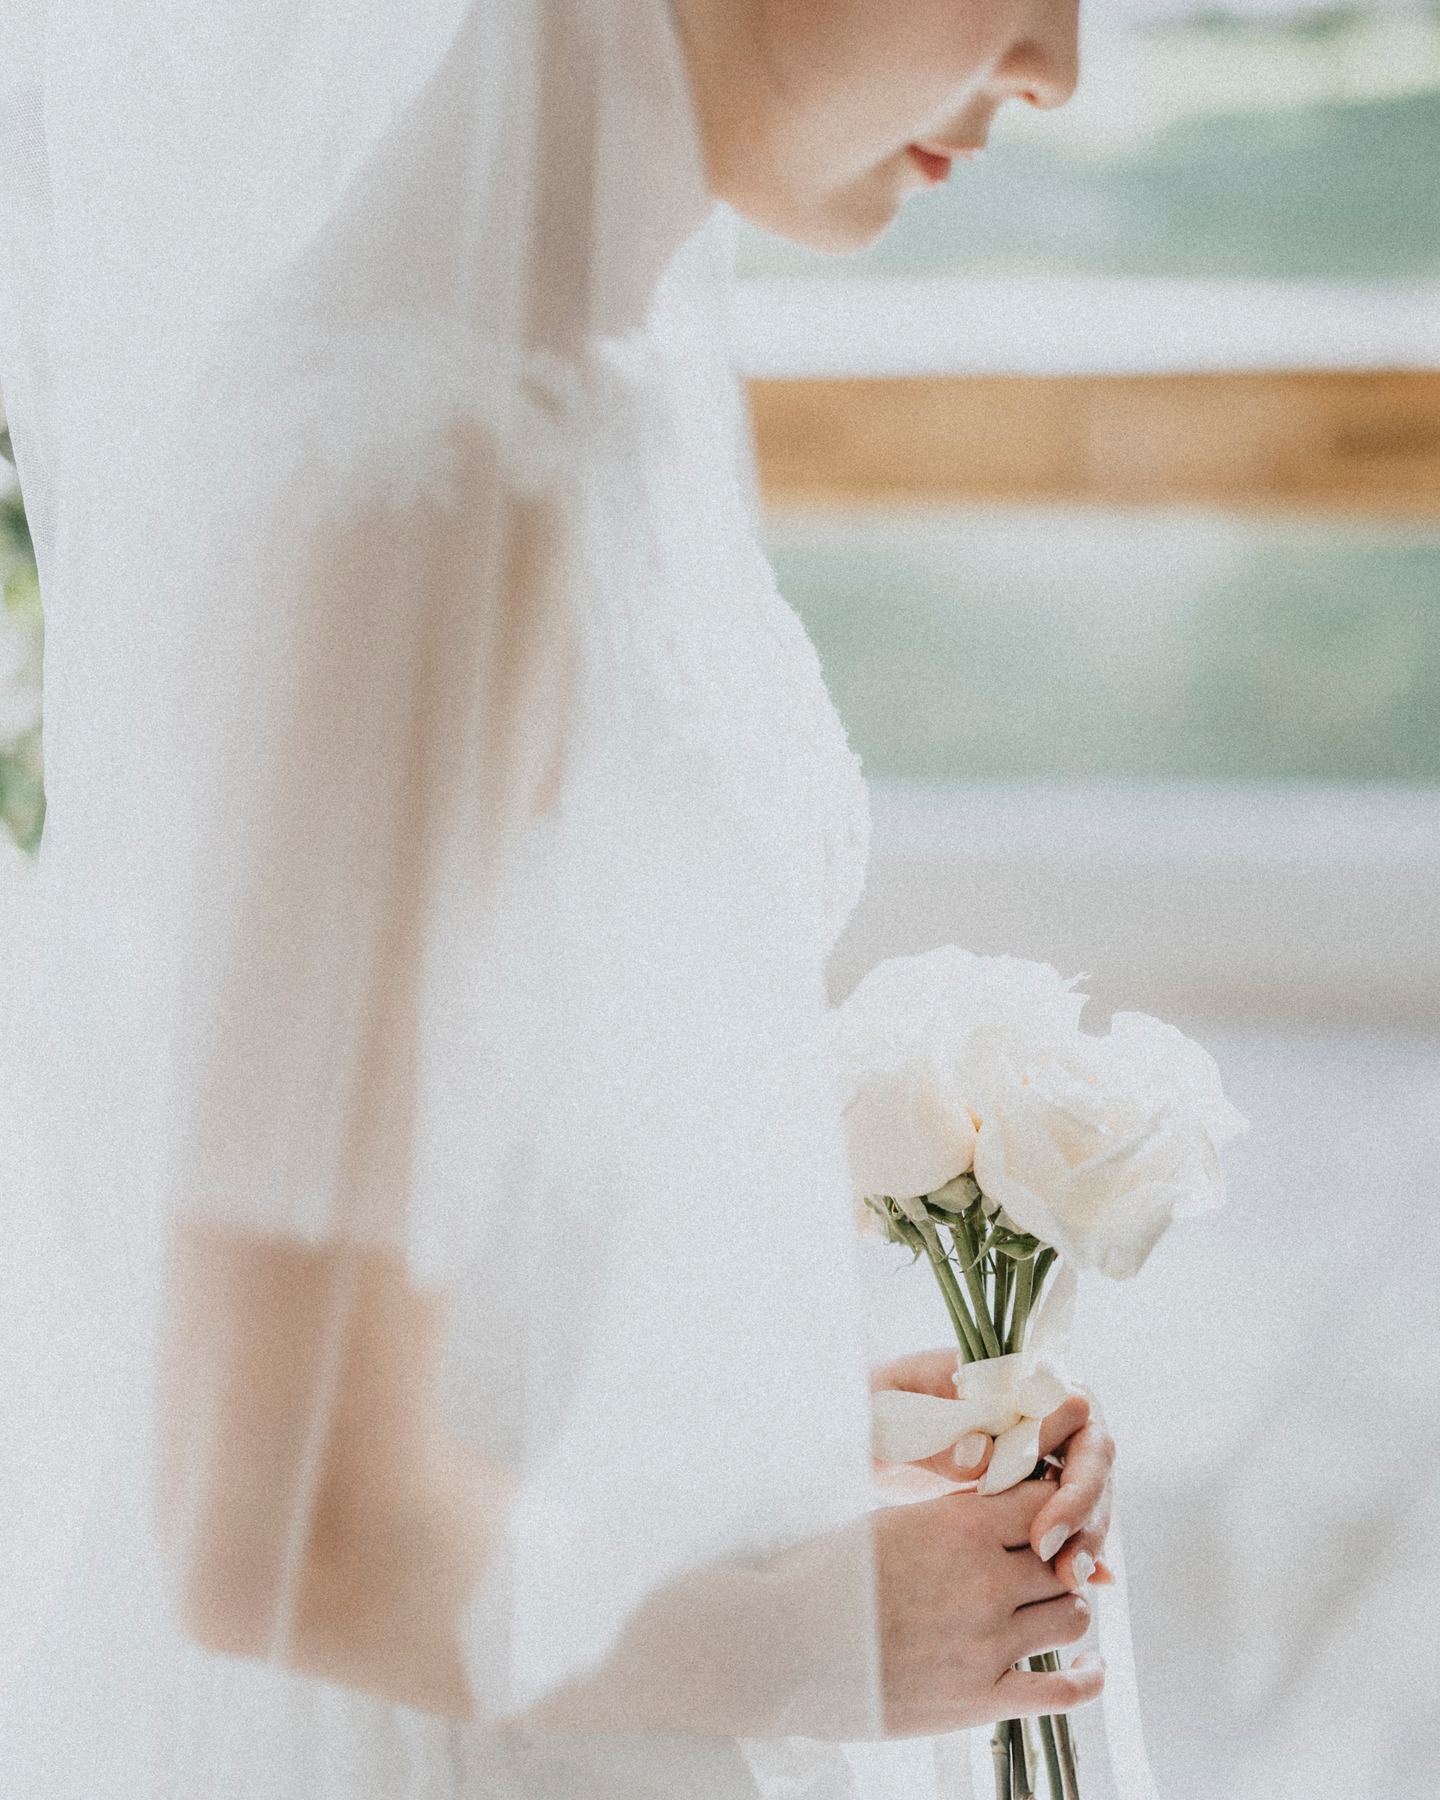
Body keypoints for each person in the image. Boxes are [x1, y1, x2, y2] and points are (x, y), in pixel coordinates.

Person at [0, 0, 1121, 1795]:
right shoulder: (425, 465)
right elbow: (272, 1526)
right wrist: (818, 1632)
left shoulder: (573, 369)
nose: (1056, 65)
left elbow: (474, 1285)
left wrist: (787, 1453)